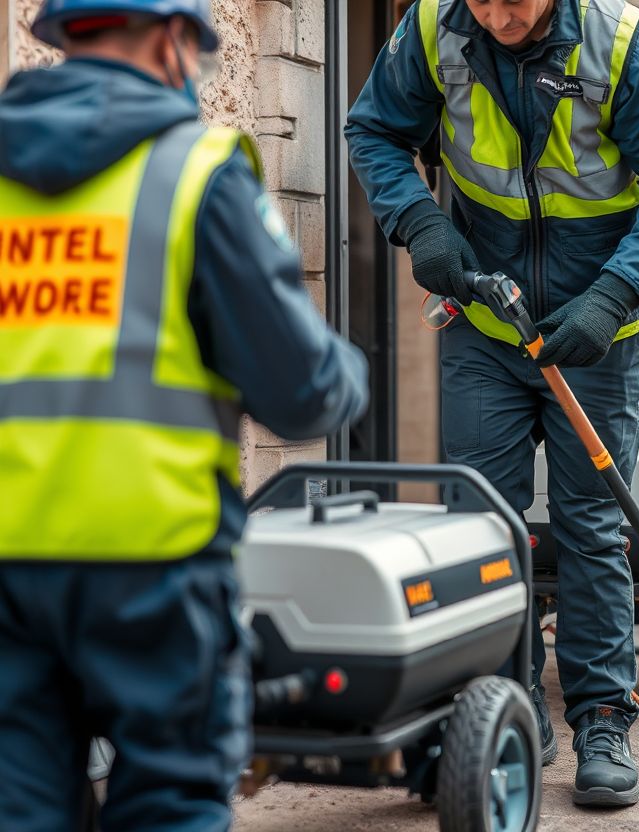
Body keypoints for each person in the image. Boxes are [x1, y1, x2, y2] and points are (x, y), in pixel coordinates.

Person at [0, 3, 369, 830]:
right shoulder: (193, 172)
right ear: (171, 41)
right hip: (151, 566)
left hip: (7, 566)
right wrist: (351, 373)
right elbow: (299, 390)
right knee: (169, 803)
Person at [345, 0, 639, 807]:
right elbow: (370, 131)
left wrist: (614, 297)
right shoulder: (433, 31)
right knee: (486, 527)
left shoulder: (617, 44)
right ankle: (505, 710)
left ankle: (602, 722)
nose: (498, 13)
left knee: (588, 525)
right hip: (484, 323)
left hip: (596, 334)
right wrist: (420, 224)